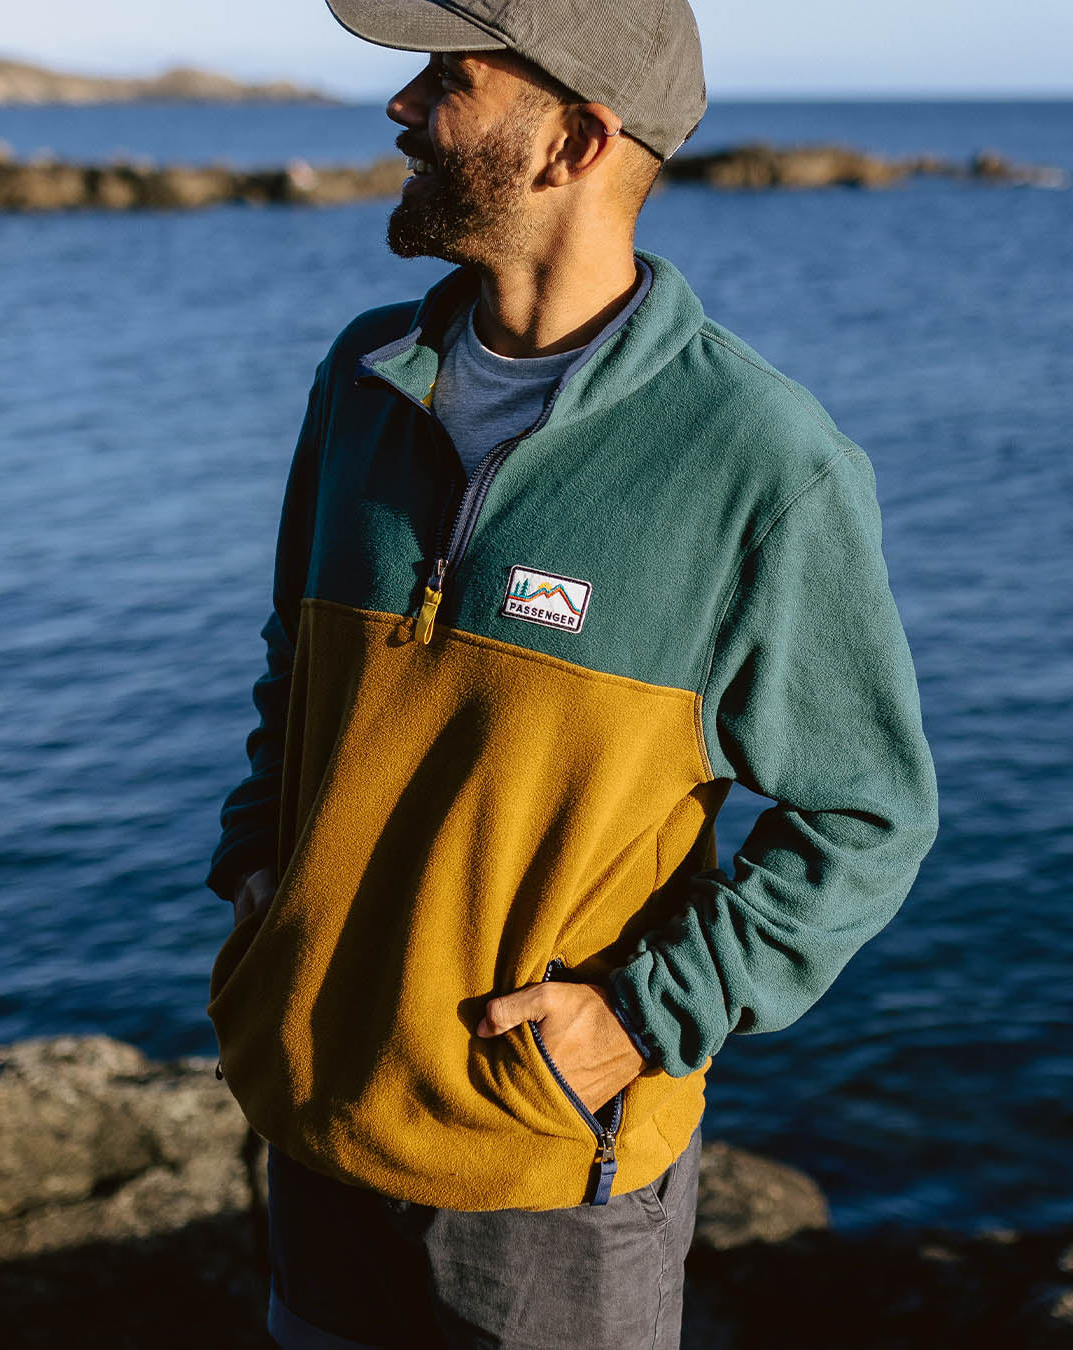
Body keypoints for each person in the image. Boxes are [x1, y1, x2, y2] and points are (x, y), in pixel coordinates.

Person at [205, 1, 939, 1346]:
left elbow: (869, 815)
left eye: (450, 80)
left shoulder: (761, 462)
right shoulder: (362, 378)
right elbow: (294, 660)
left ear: (576, 142)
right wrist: (261, 869)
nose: (402, 109)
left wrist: (647, 1015)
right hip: (314, 1118)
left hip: (545, 1184)